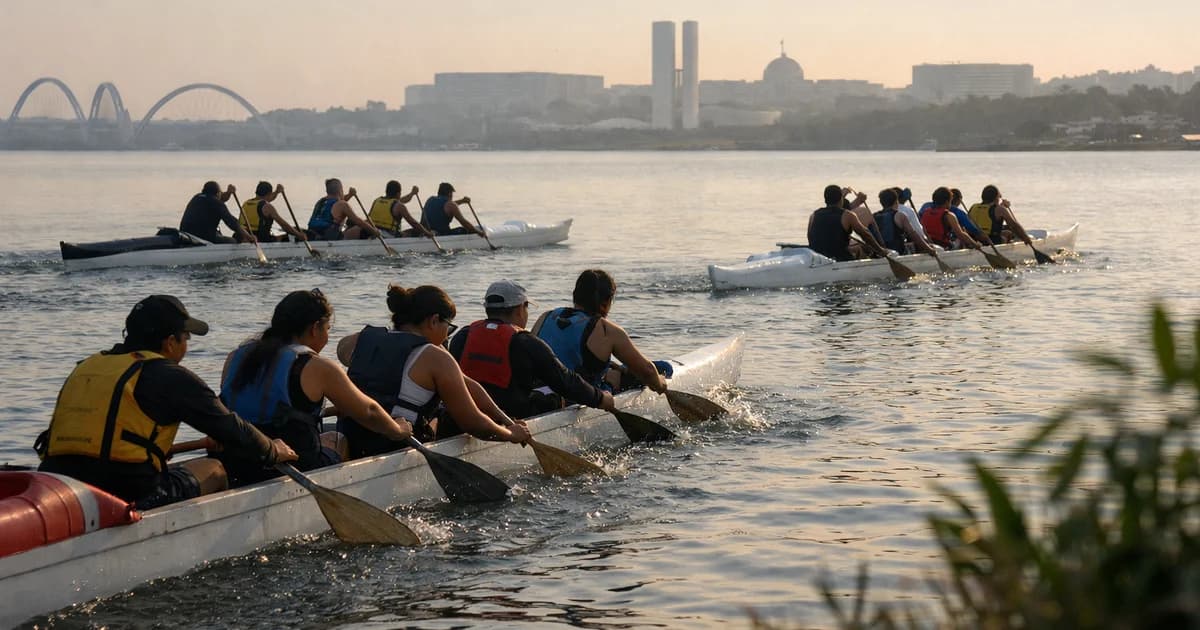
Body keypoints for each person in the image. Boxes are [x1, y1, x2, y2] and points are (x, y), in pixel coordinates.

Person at [35, 295, 296, 509]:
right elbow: (229, 426)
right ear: (170, 342)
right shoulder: (168, 375)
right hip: (126, 491)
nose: (186, 347)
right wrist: (272, 449)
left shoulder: (87, 366)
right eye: (186, 339)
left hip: (60, 483)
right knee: (215, 468)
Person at [218, 290, 412, 486]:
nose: (327, 337)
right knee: (337, 438)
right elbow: (369, 411)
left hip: (235, 462)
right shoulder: (316, 366)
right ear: (314, 329)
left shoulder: (236, 357)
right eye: (327, 329)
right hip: (292, 465)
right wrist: (397, 430)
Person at [335, 284, 532, 459]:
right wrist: (510, 435)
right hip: (395, 447)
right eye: (449, 327)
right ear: (434, 321)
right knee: (441, 418)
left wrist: (506, 420)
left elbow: (468, 385)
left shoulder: (357, 341)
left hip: (351, 440)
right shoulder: (435, 359)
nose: (447, 336)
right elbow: (473, 423)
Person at [449, 280, 617, 419]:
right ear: (519, 310)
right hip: (513, 417)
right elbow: (566, 381)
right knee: (554, 397)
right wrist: (600, 398)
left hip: (468, 413)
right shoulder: (526, 342)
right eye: (526, 307)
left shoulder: (463, 335)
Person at [531, 269, 671, 395]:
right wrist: (660, 385)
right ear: (605, 303)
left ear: (575, 295)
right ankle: (611, 381)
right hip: (581, 398)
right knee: (665, 367)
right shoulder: (607, 330)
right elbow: (648, 371)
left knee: (613, 368)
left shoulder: (545, 317)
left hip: (540, 393)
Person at [806, 184, 890, 261]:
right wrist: (881, 251)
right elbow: (865, 235)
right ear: (841, 199)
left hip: (818, 258)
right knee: (862, 249)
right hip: (840, 258)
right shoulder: (848, 215)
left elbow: (810, 237)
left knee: (855, 248)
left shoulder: (814, 215)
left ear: (825, 200)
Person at [179, 181, 257, 244]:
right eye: (220, 192)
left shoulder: (197, 197)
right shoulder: (217, 203)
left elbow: (221, 198)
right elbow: (232, 223)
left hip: (186, 235)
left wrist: (229, 192)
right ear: (217, 193)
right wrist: (249, 237)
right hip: (204, 237)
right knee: (233, 241)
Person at [307, 178, 380, 241]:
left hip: (313, 235)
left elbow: (338, 202)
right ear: (340, 190)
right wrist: (375, 231)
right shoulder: (343, 205)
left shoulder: (320, 202)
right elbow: (358, 221)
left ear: (328, 191)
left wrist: (350, 195)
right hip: (330, 238)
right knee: (366, 224)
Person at [874, 188, 939, 255]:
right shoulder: (900, 215)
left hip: (882, 250)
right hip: (898, 251)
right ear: (896, 201)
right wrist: (929, 249)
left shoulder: (875, 216)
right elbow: (914, 235)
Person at [968, 185, 1037, 247]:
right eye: (999, 196)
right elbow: (1014, 225)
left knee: (1007, 232)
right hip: (991, 241)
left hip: (975, 239)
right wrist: (1026, 238)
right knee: (1009, 234)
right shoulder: (1000, 209)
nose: (1000, 198)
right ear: (996, 198)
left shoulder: (973, 207)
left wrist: (1002, 206)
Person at [239, 182, 309, 243]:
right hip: (259, 239)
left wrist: (277, 192)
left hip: (242, 236)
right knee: (289, 236)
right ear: (269, 194)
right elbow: (284, 225)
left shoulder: (246, 203)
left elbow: (268, 199)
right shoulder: (268, 207)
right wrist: (299, 235)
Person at [919, 187, 983, 251]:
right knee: (962, 234)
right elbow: (960, 234)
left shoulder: (925, 212)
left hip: (929, 243)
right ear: (947, 202)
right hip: (944, 246)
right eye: (950, 201)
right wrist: (975, 244)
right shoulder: (949, 215)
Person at [420, 182, 486, 237]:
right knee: (464, 230)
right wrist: (479, 232)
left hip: (427, 232)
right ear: (450, 194)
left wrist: (462, 201)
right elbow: (464, 223)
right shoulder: (451, 205)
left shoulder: (430, 199)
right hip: (441, 235)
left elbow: (447, 206)